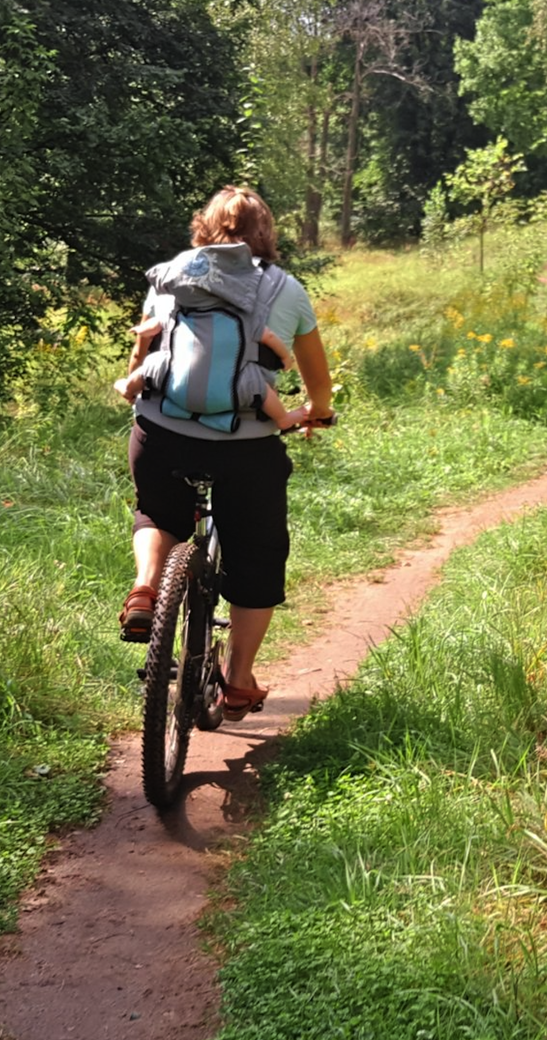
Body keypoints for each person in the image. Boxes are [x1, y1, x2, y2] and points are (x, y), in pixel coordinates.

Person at [117, 186, 334, 720]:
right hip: (248, 448)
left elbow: (145, 349)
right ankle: (238, 681)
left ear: (204, 228)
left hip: (162, 433)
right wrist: (317, 410)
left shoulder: (170, 274)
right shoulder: (286, 289)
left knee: (157, 513)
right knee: (256, 557)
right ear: (266, 233)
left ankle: (145, 589)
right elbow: (315, 376)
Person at [113, 317, 309, 433]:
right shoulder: (245, 319)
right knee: (260, 387)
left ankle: (127, 388)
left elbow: (152, 327)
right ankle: (285, 417)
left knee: (150, 367)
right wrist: (285, 358)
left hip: (179, 388)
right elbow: (270, 337)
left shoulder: (180, 312)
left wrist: (141, 330)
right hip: (231, 390)